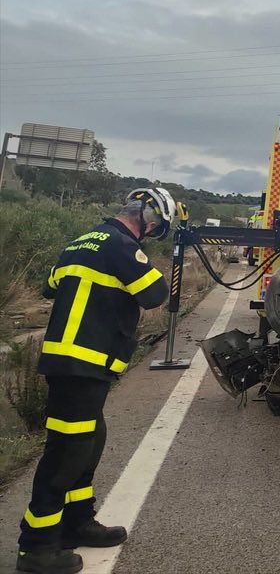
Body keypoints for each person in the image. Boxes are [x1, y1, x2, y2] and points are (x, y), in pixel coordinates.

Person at [16, 189, 174, 574]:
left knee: (90, 441)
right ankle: (36, 546)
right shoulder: (121, 245)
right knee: (66, 453)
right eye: (154, 228)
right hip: (81, 363)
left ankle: (77, 520)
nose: (151, 234)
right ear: (147, 217)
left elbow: (50, 286)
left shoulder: (79, 242)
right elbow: (155, 294)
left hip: (73, 363)